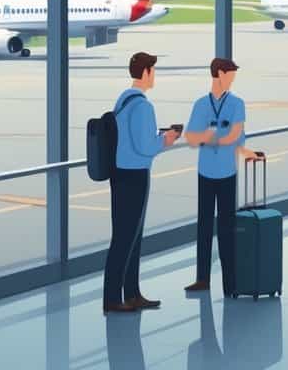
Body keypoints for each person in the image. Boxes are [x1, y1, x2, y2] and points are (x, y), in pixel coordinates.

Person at [103, 52, 180, 314]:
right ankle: (114, 298)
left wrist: (156, 136)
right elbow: (146, 146)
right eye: (153, 70)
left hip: (119, 173)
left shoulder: (123, 100)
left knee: (129, 236)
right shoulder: (144, 106)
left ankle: (132, 293)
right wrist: (167, 139)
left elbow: (131, 137)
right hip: (135, 175)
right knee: (127, 238)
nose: (154, 75)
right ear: (146, 72)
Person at [184, 58, 257, 296]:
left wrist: (209, 136)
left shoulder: (237, 103)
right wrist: (217, 137)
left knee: (227, 228)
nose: (233, 78)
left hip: (227, 172)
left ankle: (230, 282)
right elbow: (191, 138)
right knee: (204, 227)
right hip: (206, 172)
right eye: (230, 73)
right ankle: (202, 278)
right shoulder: (200, 104)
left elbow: (234, 135)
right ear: (218, 74)